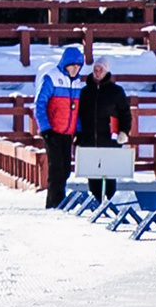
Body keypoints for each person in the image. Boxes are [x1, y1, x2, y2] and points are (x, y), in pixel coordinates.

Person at [34, 44, 85, 208]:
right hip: (53, 131)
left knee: (65, 170)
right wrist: (45, 128)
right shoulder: (51, 78)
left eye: (79, 65)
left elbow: (76, 110)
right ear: (66, 64)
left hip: (67, 133)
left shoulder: (77, 82)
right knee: (56, 170)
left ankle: (59, 203)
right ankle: (54, 205)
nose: (76, 68)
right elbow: (39, 104)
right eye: (73, 65)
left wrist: (78, 129)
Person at [78, 55, 133, 200]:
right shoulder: (85, 92)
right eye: (95, 70)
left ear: (106, 71)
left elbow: (125, 113)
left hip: (109, 140)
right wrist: (78, 135)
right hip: (89, 140)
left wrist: (124, 132)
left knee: (109, 175)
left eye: (100, 70)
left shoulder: (116, 91)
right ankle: (95, 202)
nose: (97, 73)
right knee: (92, 176)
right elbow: (79, 115)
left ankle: (109, 201)